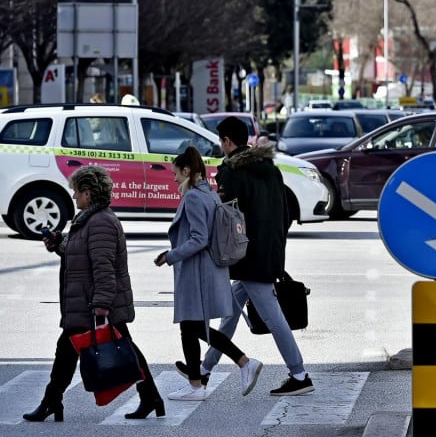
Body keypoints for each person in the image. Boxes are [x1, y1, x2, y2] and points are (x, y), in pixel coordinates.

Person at [24, 165, 163, 422]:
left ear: (88, 193)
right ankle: (151, 397)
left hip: (94, 304)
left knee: (72, 351)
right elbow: (80, 254)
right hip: (88, 302)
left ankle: (51, 402)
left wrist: (101, 304)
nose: (74, 197)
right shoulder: (89, 220)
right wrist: (58, 243)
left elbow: (103, 267)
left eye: (77, 192)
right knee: (114, 349)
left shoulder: (100, 223)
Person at [199, 116, 315, 396]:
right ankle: (204, 370)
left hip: (247, 256)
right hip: (270, 249)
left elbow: (227, 217)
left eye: (221, 141)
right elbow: (284, 211)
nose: (220, 147)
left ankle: (299, 375)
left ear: (227, 141)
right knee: (230, 311)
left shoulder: (231, 172)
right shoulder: (269, 167)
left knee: (274, 317)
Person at [154, 146, 263, 401]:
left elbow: (199, 238)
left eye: (176, 174)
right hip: (209, 268)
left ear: (187, 170)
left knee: (190, 326)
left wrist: (170, 256)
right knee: (193, 327)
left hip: (197, 271)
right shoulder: (210, 193)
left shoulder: (192, 197)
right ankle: (215, 375)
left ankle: (215, 376)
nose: (174, 179)